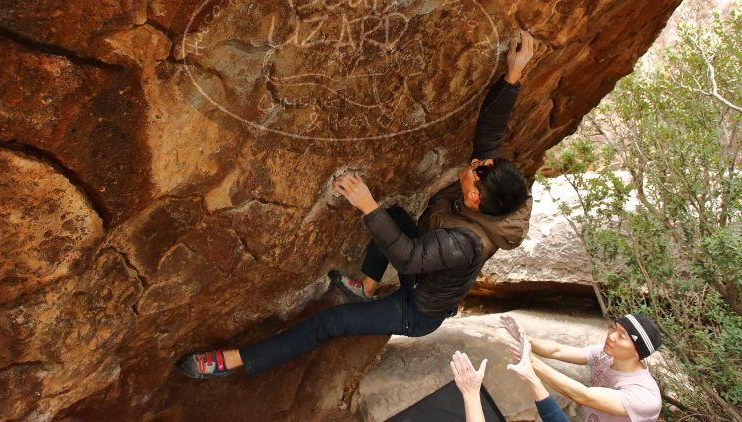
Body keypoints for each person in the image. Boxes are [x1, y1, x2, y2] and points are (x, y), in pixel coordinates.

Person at [176, 31, 536, 379]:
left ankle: (235, 361)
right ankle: (365, 286)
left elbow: (408, 257)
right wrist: (514, 73)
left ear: (474, 199)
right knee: (394, 216)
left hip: (417, 309)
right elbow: (490, 136)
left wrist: (367, 206)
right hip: (427, 269)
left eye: (476, 173)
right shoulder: (496, 196)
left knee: (331, 323)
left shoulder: (466, 242)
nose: (473, 165)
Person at [502, 314, 663, 422]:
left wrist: (531, 362)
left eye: (621, 336)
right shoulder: (605, 355)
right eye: (614, 328)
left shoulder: (645, 395)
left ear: (637, 351)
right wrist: (524, 338)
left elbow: (584, 396)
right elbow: (558, 350)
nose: (611, 336)